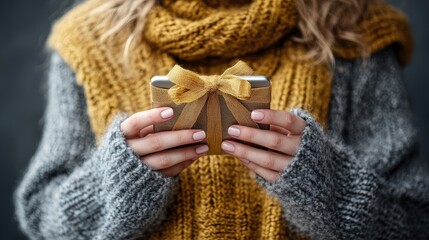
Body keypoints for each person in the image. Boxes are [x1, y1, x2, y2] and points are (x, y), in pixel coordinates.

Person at [14, 0, 429, 239]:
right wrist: (117, 183)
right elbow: (44, 219)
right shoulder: (89, 38)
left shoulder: (355, 29)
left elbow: (415, 221)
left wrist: (325, 183)